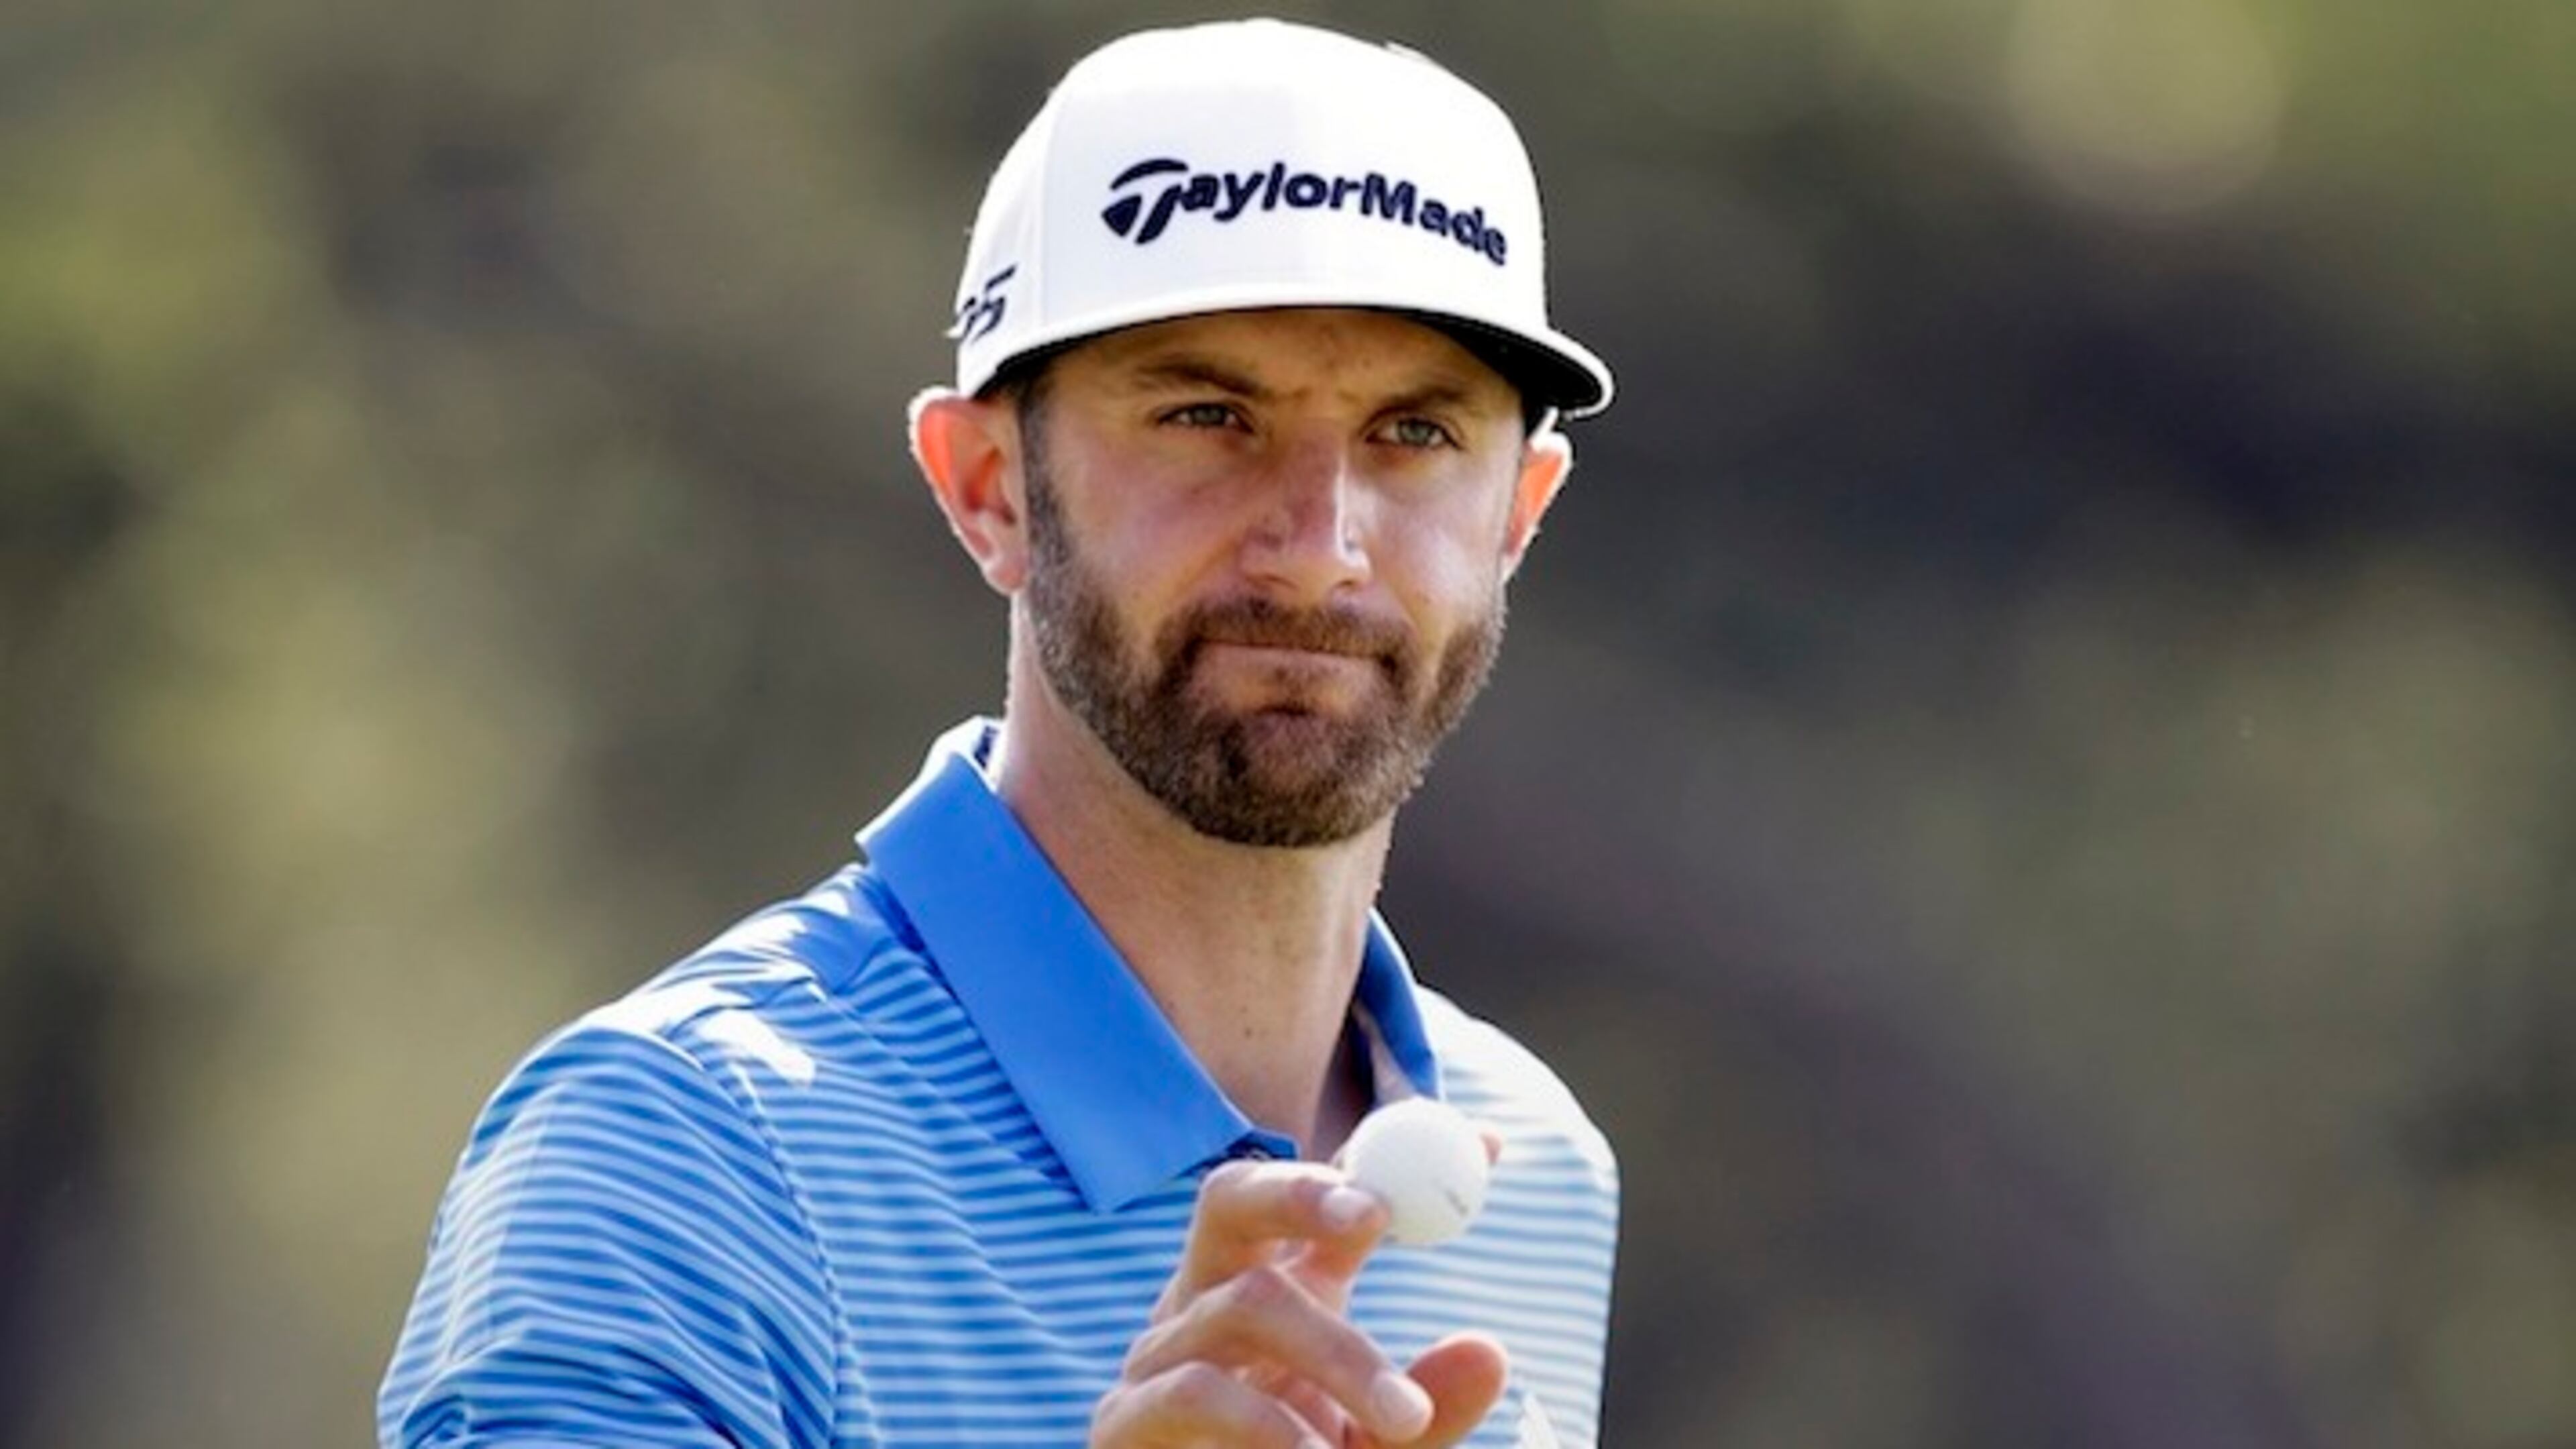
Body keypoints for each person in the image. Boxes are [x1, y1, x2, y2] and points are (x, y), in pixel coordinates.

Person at [379, 17, 1619, 1448]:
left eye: (1417, 433)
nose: (1317, 548)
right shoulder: (673, 1151)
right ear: (985, 486)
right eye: (1208, 413)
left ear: (1520, 512)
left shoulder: (1530, 1168)